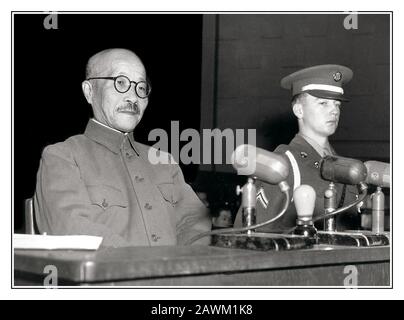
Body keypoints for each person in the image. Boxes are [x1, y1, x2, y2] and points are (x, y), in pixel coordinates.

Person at [34, 48, 211, 247]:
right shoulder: (63, 157)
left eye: (141, 87)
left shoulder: (164, 161)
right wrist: (146, 266)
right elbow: (71, 229)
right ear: (89, 91)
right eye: (121, 83)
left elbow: (196, 225)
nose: (133, 97)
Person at [234, 64, 360, 231]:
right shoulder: (284, 163)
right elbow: (249, 234)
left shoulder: (347, 168)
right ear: (299, 110)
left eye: (337, 104)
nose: (334, 111)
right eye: (323, 103)